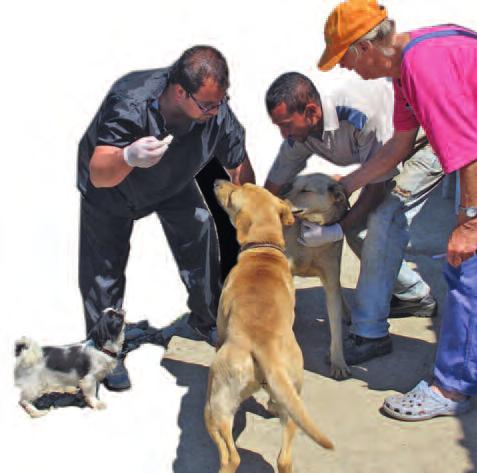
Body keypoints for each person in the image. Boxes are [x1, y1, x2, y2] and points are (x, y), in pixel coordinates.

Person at [317, 0, 476, 420]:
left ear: (365, 48)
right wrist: (348, 183)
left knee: (466, 271)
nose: (348, 70)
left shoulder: (423, 67)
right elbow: (399, 146)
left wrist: (470, 223)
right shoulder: (410, 65)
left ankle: (450, 390)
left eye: (345, 60)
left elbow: (468, 153)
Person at [77, 45, 255, 391]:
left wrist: (252, 221)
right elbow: (99, 172)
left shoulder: (216, 112)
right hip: (112, 188)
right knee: (103, 271)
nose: (216, 110)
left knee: (201, 228)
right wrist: (128, 156)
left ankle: (208, 318)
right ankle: (104, 349)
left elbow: (239, 166)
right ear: (179, 92)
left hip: (172, 180)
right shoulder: (130, 102)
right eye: (207, 104)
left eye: (221, 100)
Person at [264, 71, 442, 365]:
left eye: (285, 125)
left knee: (384, 220)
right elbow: (273, 188)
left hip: (423, 147)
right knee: (358, 229)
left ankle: (371, 335)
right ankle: (413, 294)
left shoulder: (360, 116)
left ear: (311, 111)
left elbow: (375, 189)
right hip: (385, 157)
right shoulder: (302, 133)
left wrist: (335, 230)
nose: (283, 134)